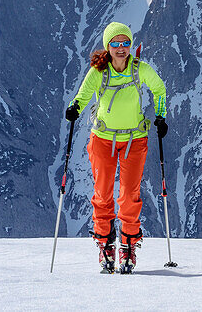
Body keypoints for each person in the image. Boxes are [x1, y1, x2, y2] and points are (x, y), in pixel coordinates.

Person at [65, 21, 168, 274]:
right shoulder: (98, 71)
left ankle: (127, 247)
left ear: (130, 46)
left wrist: (161, 116)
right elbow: (84, 94)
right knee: (103, 195)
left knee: (129, 196)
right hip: (103, 140)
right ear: (107, 46)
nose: (121, 48)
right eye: (116, 43)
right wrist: (75, 108)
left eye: (125, 43)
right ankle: (105, 245)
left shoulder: (139, 69)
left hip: (134, 140)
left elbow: (159, 88)